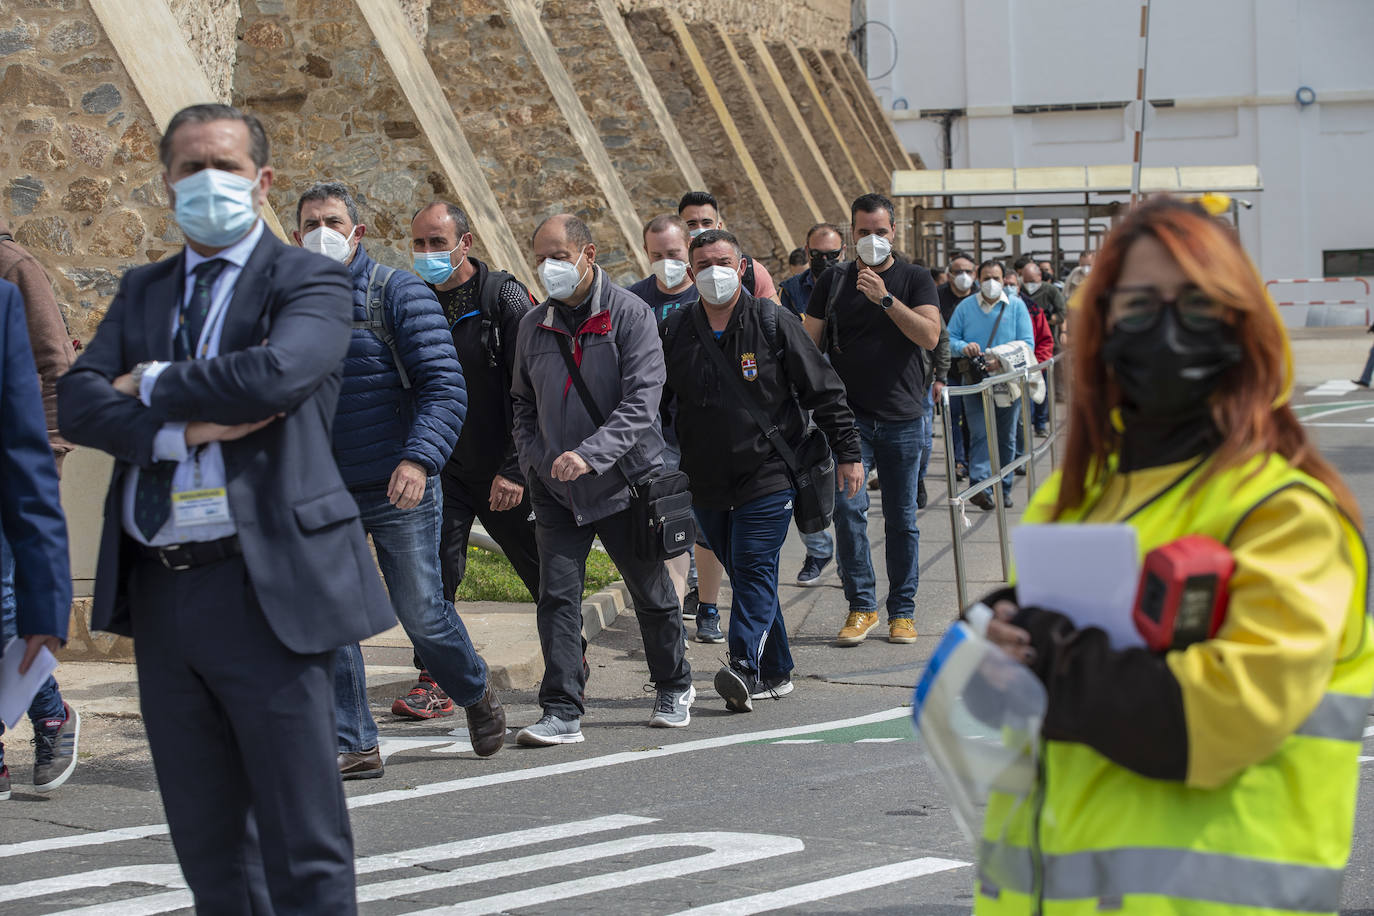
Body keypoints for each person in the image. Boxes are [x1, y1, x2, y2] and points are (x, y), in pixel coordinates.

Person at [975, 196, 1372, 915]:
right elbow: (1000, 698)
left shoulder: (1284, 514)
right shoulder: (1073, 496)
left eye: (1193, 304)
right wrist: (990, 635)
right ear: (1099, 329)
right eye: (1137, 305)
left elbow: (1205, 727)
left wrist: (1046, 657)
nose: (1163, 326)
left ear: (1240, 323)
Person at [57, 103, 394, 912]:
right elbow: (76, 402)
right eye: (190, 168)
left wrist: (152, 383)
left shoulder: (308, 277)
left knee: (300, 837)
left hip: (267, 585)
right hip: (165, 591)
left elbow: (279, 374)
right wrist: (178, 434)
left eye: (227, 167)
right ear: (167, 183)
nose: (209, 181)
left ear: (261, 181)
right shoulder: (144, 290)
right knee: (209, 845)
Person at [293, 184, 505, 779]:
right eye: (311, 224)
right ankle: (355, 743)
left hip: (398, 484)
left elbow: (444, 385)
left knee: (422, 612)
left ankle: (474, 688)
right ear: (293, 237)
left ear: (357, 232)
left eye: (333, 221)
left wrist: (418, 460)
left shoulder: (397, 292)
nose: (321, 232)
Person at [660, 229, 862, 710]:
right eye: (704, 264)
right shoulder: (675, 329)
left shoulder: (772, 321)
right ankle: (777, 670)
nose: (714, 272)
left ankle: (744, 666)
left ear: (743, 265)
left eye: (723, 262)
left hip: (768, 474)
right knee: (750, 575)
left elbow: (824, 390)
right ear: (691, 273)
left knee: (752, 566)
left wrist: (849, 452)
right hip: (705, 480)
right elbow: (658, 402)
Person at [511, 214, 694, 745]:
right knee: (557, 598)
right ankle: (562, 709)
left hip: (623, 485)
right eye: (541, 258)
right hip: (556, 489)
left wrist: (591, 455)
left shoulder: (629, 315)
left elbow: (642, 403)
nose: (549, 268)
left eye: (560, 256)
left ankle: (674, 683)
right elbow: (522, 403)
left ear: (588, 255)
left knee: (652, 591)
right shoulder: (533, 324)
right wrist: (536, 460)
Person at [409, 201, 542, 717]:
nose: (426, 253)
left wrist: (514, 467)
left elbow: (530, 388)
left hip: (504, 465)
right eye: (418, 243)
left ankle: (567, 654)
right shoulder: (411, 297)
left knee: (540, 570)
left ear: (465, 243)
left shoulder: (503, 297)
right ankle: (436, 677)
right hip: (443, 466)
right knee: (434, 574)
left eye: (437, 243)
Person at [803, 193, 942, 647]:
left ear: (893, 232)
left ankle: (902, 611)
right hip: (849, 421)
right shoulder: (834, 281)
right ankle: (861, 606)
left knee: (902, 519)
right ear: (852, 234)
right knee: (848, 511)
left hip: (904, 417)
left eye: (880, 232)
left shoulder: (915, 277)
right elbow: (808, 345)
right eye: (863, 233)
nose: (872, 240)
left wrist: (885, 300)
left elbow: (929, 334)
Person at [0, 224, 80, 798]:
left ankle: (50, 713)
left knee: (4, 604)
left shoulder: (11, 265)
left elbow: (54, 368)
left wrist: (44, 458)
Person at [626, 214, 726, 642]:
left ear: (689, 253)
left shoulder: (710, 297)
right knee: (669, 523)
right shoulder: (632, 301)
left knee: (707, 526)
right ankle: (671, 623)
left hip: (706, 428)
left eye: (673, 254)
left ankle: (707, 606)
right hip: (656, 432)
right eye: (656, 255)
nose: (666, 262)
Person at [777, 222, 847, 584]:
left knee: (849, 490)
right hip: (807, 397)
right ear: (807, 253)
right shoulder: (790, 291)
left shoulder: (856, 286)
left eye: (831, 255)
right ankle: (818, 550)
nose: (823, 261)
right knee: (810, 478)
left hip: (850, 398)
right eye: (816, 256)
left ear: (844, 253)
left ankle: (852, 564)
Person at [947, 259, 1033, 510]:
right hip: (975, 381)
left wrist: (1002, 361)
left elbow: (1027, 343)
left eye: (996, 277)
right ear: (978, 278)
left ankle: (1004, 486)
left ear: (1003, 280)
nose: (991, 283)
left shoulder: (1016, 307)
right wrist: (964, 347)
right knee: (980, 433)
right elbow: (950, 337)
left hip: (1007, 382)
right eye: (986, 278)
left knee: (1006, 437)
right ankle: (981, 485)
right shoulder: (965, 307)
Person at [678, 191, 777, 301]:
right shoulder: (670, 274)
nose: (700, 229)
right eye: (691, 224)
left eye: (706, 223)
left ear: (719, 227)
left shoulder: (750, 270)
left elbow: (775, 314)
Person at [937, 251, 977, 480]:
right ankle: (958, 461)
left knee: (973, 418)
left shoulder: (981, 296)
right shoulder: (937, 296)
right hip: (948, 368)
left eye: (968, 271)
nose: (964, 276)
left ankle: (971, 458)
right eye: (958, 272)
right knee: (952, 416)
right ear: (949, 275)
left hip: (975, 370)